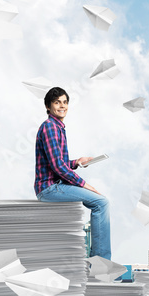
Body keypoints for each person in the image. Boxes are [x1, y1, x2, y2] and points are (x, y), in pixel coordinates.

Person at [34, 86, 111, 259]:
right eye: (57, 102)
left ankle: (96, 260)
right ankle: (100, 262)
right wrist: (85, 185)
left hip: (54, 185)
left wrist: (76, 162)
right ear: (48, 106)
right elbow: (58, 167)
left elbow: (57, 162)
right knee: (101, 202)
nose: (62, 106)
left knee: (99, 202)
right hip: (49, 188)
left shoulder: (57, 127)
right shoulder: (50, 127)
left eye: (65, 102)